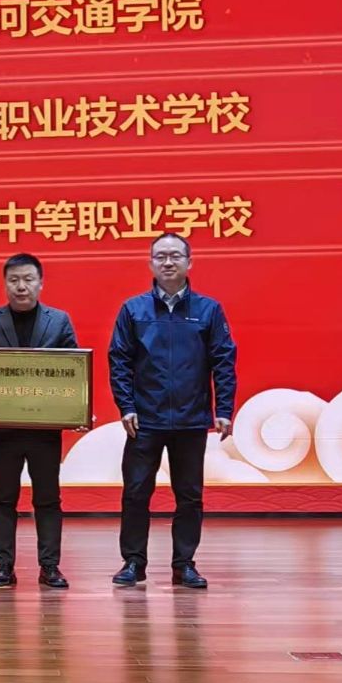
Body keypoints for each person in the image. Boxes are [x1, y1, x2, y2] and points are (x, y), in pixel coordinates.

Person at [109, 232, 236, 589]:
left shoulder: (208, 310)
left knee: (190, 496)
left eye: (175, 256)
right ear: (150, 263)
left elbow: (223, 361)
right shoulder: (133, 310)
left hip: (191, 419)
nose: (168, 262)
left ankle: (185, 564)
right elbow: (119, 361)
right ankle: (133, 562)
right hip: (144, 420)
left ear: (189, 262)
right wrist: (126, 406)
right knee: (136, 493)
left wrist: (224, 408)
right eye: (160, 256)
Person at [0, 253, 79, 590]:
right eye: (14, 280)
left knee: (48, 499)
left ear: (40, 283)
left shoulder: (58, 321)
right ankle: (4, 566)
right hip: (4, 429)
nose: (21, 286)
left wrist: (77, 410)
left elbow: (74, 372)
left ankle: (50, 567)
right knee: (3, 497)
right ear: (5, 284)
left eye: (28, 279)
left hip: (45, 429)